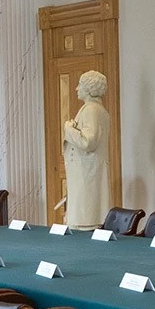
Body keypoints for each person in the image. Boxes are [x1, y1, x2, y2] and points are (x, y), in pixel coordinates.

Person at [62, 71, 110, 227]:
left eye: (80, 85)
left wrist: (68, 128)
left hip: (86, 172)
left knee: (84, 221)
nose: (76, 88)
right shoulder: (97, 109)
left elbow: (88, 142)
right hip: (87, 171)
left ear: (89, 88)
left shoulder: (91, 109)